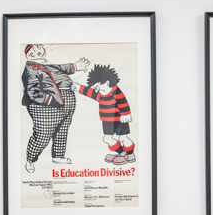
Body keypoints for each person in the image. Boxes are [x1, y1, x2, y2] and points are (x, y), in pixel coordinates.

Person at [21, 44, 89, 174]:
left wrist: (76, 66)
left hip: (65, 99)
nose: (41, 48)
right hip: (46, 105)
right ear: (32, 55)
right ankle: (30, 158)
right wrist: (49, 100)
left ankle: (58, 155)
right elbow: (33, 91)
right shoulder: (32, 69)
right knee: (43, 134)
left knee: (62, 129)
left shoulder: (44, 64)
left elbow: (61, 68)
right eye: (38, 47)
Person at [76, 63, 135, 164]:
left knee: (123, 137)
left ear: (107, 82)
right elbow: (92, 93)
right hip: (107, 121)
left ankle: (130, 154)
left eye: (99, 87)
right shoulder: (102, 93)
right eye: (96, 88)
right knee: (107, 138)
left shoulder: (116, 92)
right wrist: (79, 88)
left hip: (119, 120)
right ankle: (121, 153)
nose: (98, 90)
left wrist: (125, 114)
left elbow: (123, 102)